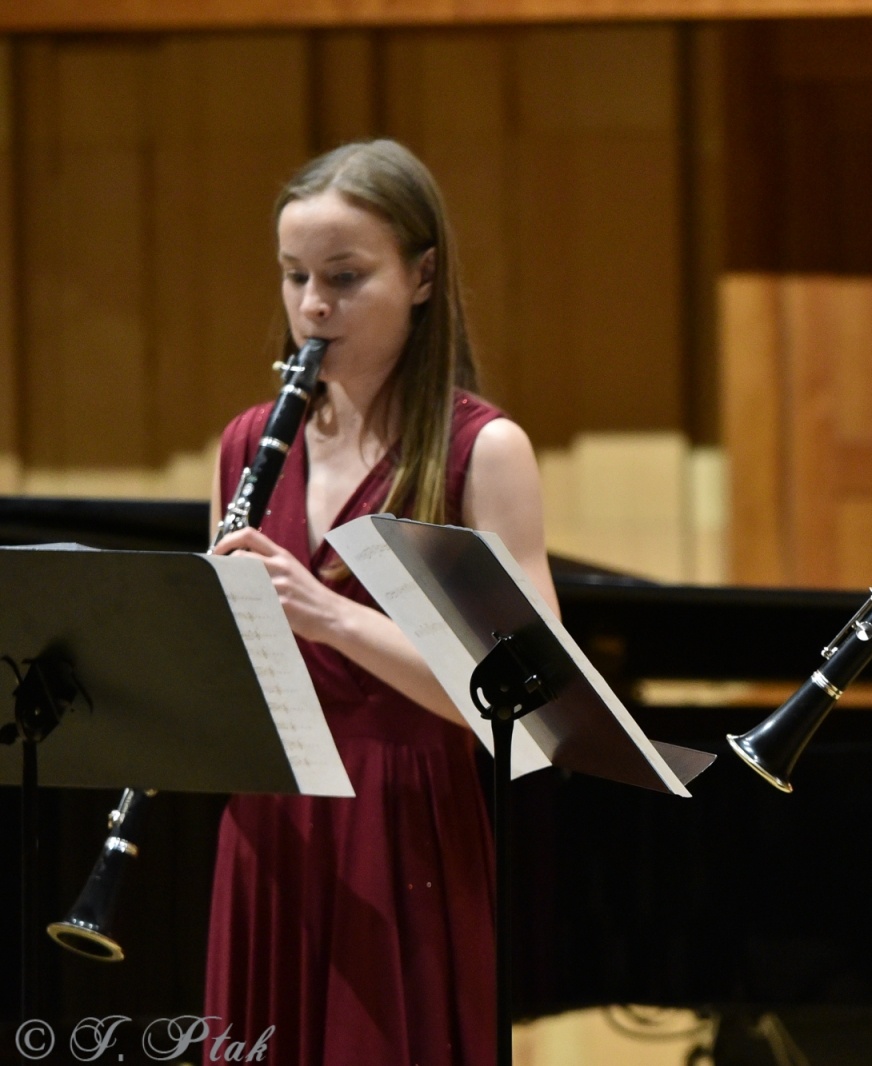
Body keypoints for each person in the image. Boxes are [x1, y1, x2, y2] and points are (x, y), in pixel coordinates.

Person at [205, 139, 558, 1066]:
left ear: (424, 274)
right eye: (295, 277)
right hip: (269, 816)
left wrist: (327, 618)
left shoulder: (484, 451)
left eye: (346, 277)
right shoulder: (247, 444)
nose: (313, 306)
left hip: (405, 826)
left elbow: (535, 704)